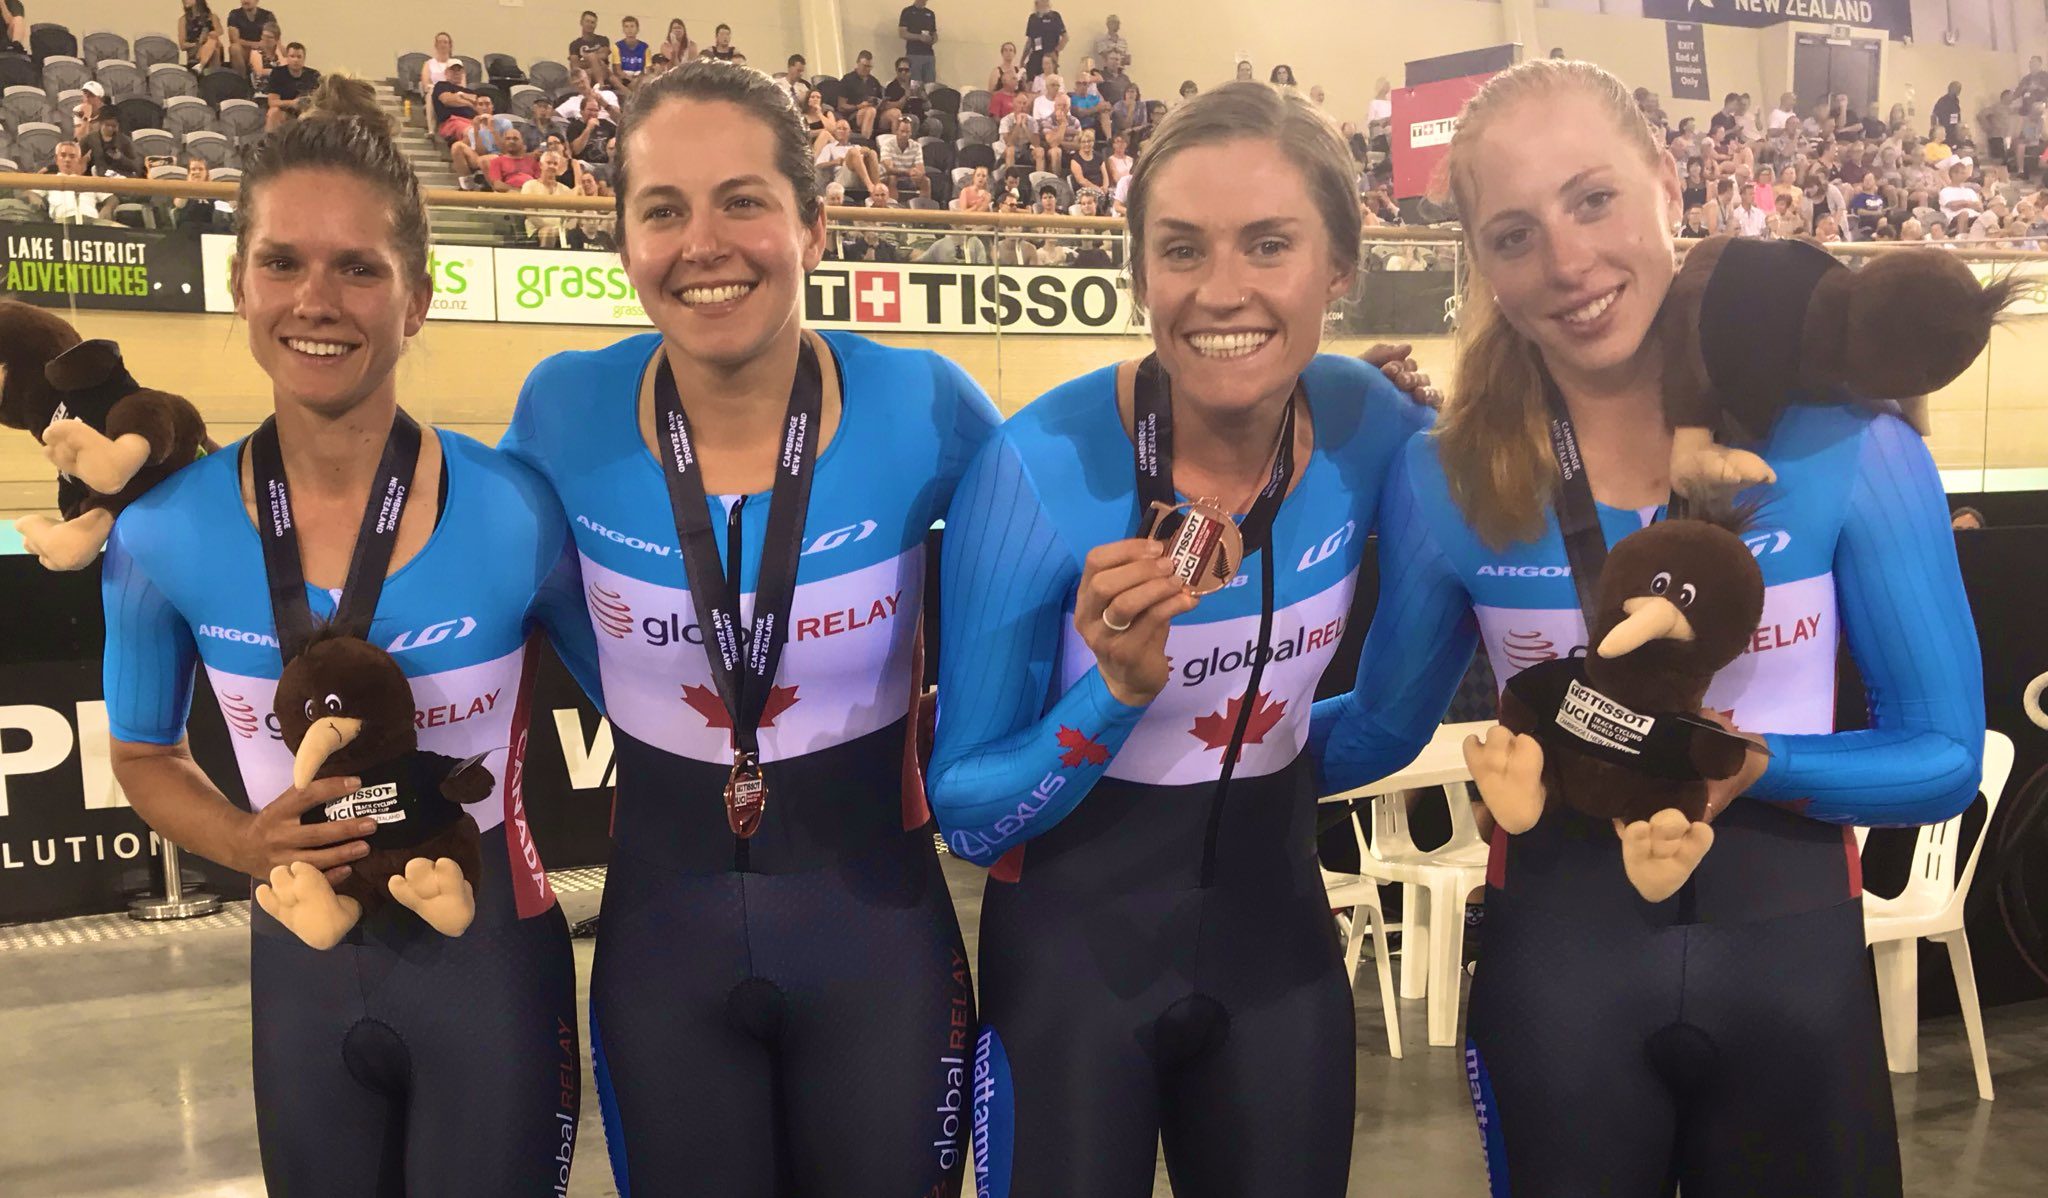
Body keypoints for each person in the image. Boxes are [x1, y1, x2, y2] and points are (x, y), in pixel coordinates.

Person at [1317, 58, 1982, 1197]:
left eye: (1592, 200)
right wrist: (1153, 727)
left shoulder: (1848, 443)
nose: (1568, 265)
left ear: (1666, 182)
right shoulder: (1444, 478)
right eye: (1513, 234)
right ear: (1476, 261)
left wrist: (1748, 765)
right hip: (1557, 988)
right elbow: (1378, 729)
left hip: (1791, 985)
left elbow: (1940, 759)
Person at [497, 59, 1000, 1196]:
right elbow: (528, 605)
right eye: (662, 209)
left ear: (813, 224)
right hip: (659, 947)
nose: (703, 242)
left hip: (878, 943)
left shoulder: (931, 407)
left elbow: (1056, 556)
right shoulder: (560, 411)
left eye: (743, 201)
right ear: (621, 238)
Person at [929, 81, 1429, 1198]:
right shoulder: (1034, 467)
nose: (1221, 291)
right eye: (1181, 249)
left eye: (1267, 245)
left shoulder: (1373, 426)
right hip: (1069, 981)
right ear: (1138, 271)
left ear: (1339, 267)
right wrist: (1106, 697)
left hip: (1279, 965)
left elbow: (1387, 720)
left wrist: (1269, 769)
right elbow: (966, 810)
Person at [101, 75, 597, 1197]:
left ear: (415, 300)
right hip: (301, 962)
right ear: (240, 284)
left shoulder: (519, 509)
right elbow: (141, 753)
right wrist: (246, 844)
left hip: (489, 961)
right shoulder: (161, 534)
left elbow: (650, 699)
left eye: (358, 268)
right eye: (282, 261)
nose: (315, 299)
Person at [262, 42, 321, 132]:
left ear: (304, 59)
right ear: (287, 58)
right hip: (286, 111)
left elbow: (320, 99)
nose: (295, 60)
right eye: (292, 56)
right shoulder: (278, 73)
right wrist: (292, 103)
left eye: (299, 57)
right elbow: (272, 102)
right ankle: (268, 143)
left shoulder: (314, 75)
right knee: (273, 112)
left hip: (307, 111)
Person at [521, 148, 574, 245]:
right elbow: (530, 214)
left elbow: (572, 216)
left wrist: (562, 230)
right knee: (548, 233)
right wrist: (552, 230)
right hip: (538, 231)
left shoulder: (566, 190)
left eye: (555, 164)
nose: (552, 166)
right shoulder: (529, 185)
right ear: (541, 165)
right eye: (548, 163)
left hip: (562, 232)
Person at [838, 50, 885, 139]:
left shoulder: (873, 81)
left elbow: (879, 99)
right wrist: (858, 106)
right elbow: (841, 106)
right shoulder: (847, 79)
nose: (867, 69)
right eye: (864, 66)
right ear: (858, 63)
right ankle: (865, 144)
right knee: (870, 111)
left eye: (869, 67)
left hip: (875, 112)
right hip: (855, 114)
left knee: (895, 113)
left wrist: (881, 103)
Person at [81, 112, 143, 178]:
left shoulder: (125, 141)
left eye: (114, 126)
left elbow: (136, 166)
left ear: (118, 126)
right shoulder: (91, 138)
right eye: (107, 125)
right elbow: (78, 153)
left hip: (121, 177)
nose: (110, 128)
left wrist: (120, 158)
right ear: (101, 124)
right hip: (100, 177)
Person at [224, 0, 276, 72]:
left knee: (282, 49)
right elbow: (234, 40)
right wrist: (254, 44)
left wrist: (264, 45)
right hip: (245, 51)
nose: (246, 1)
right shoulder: (235, 14)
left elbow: (275, 36)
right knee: (234, 48)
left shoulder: (267, 15)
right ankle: (241, 80)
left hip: (263, 50)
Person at [1023, 0, 1066, 81]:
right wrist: (1022, 59)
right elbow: (1029, 41)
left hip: (1049, 57)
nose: (1045, 3)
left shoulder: (1055, 16)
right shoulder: (1033, 18)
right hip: (1035, 56)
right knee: (1032, 81)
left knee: (1050, 81)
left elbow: (1065, 37)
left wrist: (1055, 51)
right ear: (1036, 3)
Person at [899, 0, 937, 86]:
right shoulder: (907, 12)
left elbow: (934, 33)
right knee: (915, 85)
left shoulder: (930, 14)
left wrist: (932, 39)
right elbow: (902, 33)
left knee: (930, 85)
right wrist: (919, 37)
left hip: (929, 55)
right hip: (914, 54)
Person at [179, 0, 225, 70]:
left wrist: (209, 36)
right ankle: (210, 73)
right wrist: (198, 44)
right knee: (214, 47)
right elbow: (182, 45)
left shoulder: (212, 17)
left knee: (213, 42)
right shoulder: (183, 20)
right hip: (195, 51)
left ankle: (200, 67)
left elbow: (220, 31)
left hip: (212, 47)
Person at [418, 30, 455, 101]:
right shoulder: (428, 64)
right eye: (439, 42)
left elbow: (462, 85)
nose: (442, 45)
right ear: (436, 45)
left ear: (450, 46)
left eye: (445, 42)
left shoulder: (456, 64)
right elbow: (426, 86)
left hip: (453, 95)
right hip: (434, 96)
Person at [614, 15, 648, 83]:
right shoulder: (617, 46)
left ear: (637, 29)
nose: (629, 29)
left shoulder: (645, 47)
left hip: (639, 79)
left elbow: (647, 69)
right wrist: (630, 79)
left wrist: (638, 79)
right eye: (626, 26)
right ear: (623, 30)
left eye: (632, 26)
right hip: (624, 79)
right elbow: (618, 70)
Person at [1932, 81, 1964, 145]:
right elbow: (1934, 115)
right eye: (1957, 89)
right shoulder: (1942, 101)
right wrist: (1934, 130)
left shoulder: (1956, 101)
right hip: (1945, 131)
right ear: (1950, 88)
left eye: (1959, 89)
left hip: (1954, 132)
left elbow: (1956, 115)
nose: (1958, 91)